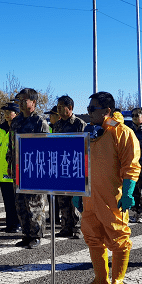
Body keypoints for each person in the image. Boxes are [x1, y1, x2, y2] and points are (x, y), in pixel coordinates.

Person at [76, 91, 141, 284]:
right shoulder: (90, 134)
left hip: (112, 196)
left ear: (107, 110)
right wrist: (78, 192)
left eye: (92, 109)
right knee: (93, 237)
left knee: (118, 237)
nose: (89, 113)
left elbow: (131, 165)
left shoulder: (122, 133)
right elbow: (80, 165)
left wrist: (128, 191)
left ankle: (118, 280)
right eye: (88, 109)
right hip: (90, 197)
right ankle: (100, 278)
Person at [7, 88, 50, 249]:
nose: (21, 103)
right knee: (20, 204)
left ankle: (36, 235)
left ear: (34, 102)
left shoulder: (40, 121)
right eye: (20, 100)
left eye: (24, 100)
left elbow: (46, 148)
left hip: (34, 169)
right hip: (18, 169)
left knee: (35, 204)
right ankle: (26, 234)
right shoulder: (17, 121)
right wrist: (10, 164)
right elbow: (11, 145)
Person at [52, 95, 88, 239]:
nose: (58, 109)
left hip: (75, 167)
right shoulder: (57, 125)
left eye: (61, 107)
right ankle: (65, 227)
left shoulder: (79, 124)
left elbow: (85, 146)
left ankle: (78, 228)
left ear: (70, 108)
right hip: (60, 167)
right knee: (63, 200)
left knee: (76, 200)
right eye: (58, 107)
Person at [0, 102, 20, 233]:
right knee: (7, 199)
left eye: (9, 112)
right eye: (5, 113)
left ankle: (17, 224)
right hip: (2, 170)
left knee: (16, 201)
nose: (6, 115)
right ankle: (10, 224)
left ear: (17, 113)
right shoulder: (1, 128)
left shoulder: (19, 127)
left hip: (14, 171)